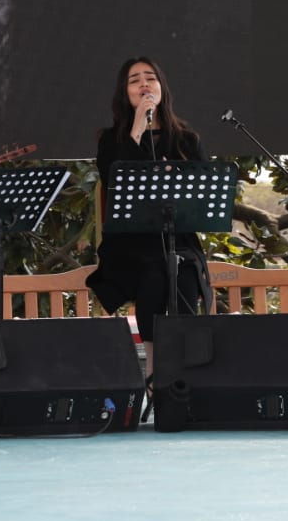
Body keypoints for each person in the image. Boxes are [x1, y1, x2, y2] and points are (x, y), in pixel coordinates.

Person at [86, 57, 212, 376]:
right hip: (130, 244)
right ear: (124, 94)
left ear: (162, 88)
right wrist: (138, 128)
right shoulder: (111, 141)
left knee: (181, 271)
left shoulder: (186, 140)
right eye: (134, 80)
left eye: (150, 78)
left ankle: (185, 375)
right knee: (154, 274)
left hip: (178, 239)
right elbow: (114, 183)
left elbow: (201, 201)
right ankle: (156, 372)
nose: (144, 84)